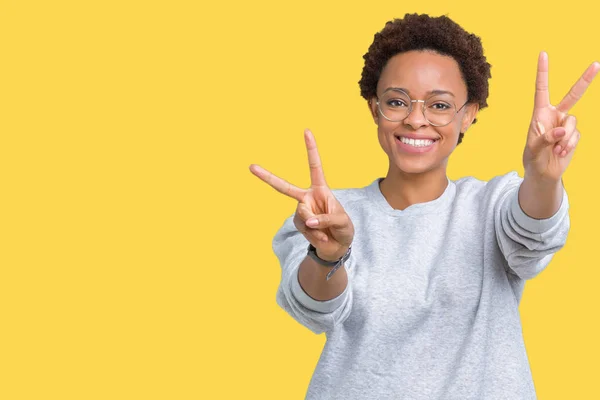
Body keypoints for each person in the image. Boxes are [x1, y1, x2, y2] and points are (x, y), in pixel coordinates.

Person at [249, 13, 598, 399]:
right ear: (374, 108)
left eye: (440, 106)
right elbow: (314, 308)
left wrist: (543, 177)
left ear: (469, 114)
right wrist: (328, 255)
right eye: (397, 102)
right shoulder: (327, 213)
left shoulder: (491, 205)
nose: (416, 120)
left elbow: (533, 232)